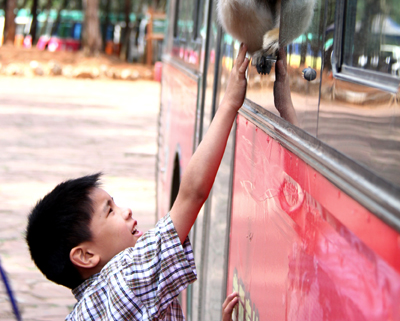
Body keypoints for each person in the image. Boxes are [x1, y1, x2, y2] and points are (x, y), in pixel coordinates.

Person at [25, 44, 249, 321]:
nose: (126, 210)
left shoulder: (83, 312)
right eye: (109, 210)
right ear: (85, 256)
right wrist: (229, 103)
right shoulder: (124, 283)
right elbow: (192, 194)